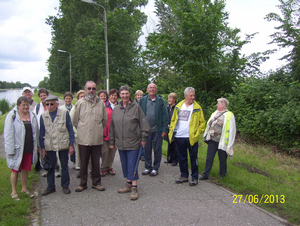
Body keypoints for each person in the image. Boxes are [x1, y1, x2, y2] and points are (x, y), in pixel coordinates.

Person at [109, 85, 151, 200]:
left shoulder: (136, 107)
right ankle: (128, 184)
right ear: (119, 95)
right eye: (122, 94)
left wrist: (143, 138)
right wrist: (112, 141)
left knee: (132, 164)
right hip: (121, 143)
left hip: (134, 142)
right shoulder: (117, 109)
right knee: (125, 164)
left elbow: (144, 123)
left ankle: (134, 187)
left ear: (129, 94)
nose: (125, 96)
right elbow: (112, 126)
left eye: (126, 93)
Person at [72, 81, 107, 192]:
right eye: (89, 88)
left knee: (96, 162)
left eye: (93, 88)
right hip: (83, 139)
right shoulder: (80, 103)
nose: (91, 91)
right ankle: (83, 184)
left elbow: (104, 120)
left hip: (97, 139)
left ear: (96, 89)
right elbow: (75, 120)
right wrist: (84, 129)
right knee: (83, 162)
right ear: (85, 89)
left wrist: (97, 129)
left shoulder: (101, 103)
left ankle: (96, 183)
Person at [169, 87, 206, 186]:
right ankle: (184, 175)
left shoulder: (197, 108)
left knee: (193, 158)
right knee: (182, 158)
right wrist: (172, 131)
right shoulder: (179, 106)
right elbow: (173, 120)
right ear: (185, 96)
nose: (193, 98)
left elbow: (202, 123)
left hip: (191, 137)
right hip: (179, 136)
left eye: (194, 95)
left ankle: (194, 177)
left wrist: (197, 133)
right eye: (191, 96)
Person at [4, 96, 39, 200]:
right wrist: (10, 149)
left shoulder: (32, 115)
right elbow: (8, 134)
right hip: (17, 148)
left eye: (27, 104)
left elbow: (36, 132)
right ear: (18, 106)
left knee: (25, 169)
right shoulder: (12, 116)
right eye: (23, 105)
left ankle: (24, 189)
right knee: (15, 169)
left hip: (28, 148)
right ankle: (14, 191)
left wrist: (37, 146)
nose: (25, 106)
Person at [39, 95, 75, 196]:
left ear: (57, 104)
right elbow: (41, 133)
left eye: (52, 104)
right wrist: (42, 148)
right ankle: (50, 187)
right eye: (47, 104)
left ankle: (65, 185)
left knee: (64, 166)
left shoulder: (64, 113)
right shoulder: (43, 116)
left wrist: (71, 144)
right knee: (50, 167)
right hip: (49, 144)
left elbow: (70, 129)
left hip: (63, 143)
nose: (49, 106)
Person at [200, 98, 236, 180]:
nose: (217, 105)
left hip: (222, 141)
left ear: (223, 105)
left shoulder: (229, 115)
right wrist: (206, 134)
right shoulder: (215, 113)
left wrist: (229, 144)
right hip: (212, 140)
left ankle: (223, 175)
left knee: (222, 159)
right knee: (209, 157)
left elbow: (232, 130)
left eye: (218, 103)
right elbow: (209, 124)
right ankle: (205, 174)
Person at [139, 83, 168, 176]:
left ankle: (156, 168)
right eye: (150, 88)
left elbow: (165, 115)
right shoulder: (143, 100)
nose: (152, 89)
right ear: (147, 90)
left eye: (153, 88)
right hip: (146, 130)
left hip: (157, 130)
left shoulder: (161, 101)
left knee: (157, 149)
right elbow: (138, 114)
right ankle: (148, 167)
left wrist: (164, 129)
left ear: (156, 90)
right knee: (146, 149)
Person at [98, 90, 117, 176]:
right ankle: (103, 168)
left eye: (115, 95)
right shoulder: (104, 106)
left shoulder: (120, 106)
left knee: (112, 152)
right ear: (109, 96)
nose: (113, 97)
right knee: (105, 152)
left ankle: (109, 167)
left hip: (116, 134)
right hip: (106, 133)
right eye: (112, 95)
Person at [70, 90, 85, 175]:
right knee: (79, 153)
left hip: (86, 135)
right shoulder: (75, 107)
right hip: (78, 134)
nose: (82, 98)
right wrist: (78, 132)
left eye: (84, 96)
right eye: (81, 96)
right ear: (78, 98)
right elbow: (73, 121)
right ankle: (80, 169)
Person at [33, 88, 49, 172]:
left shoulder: (51, 104)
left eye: (44, 95)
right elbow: (34, 119)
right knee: (42, 150)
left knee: (52, 151)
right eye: (41, 96)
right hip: (40, 132)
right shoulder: (37, 107)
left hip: (50, 132)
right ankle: (45, 167)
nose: (43, 97)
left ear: (47, 96)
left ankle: (55, 167)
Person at [60, 92, 76, 167]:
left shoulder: (75, 107)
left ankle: (73, 160)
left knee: (73, 145)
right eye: (67, 98)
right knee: (65, 146)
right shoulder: (61, 108)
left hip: (73, 129)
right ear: (64, 99)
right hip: (64, 130)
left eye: (70, 98)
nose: (68, 100)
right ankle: (65, 163)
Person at [164, 92, 178, 166]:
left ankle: (175, 160)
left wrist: (172, 125)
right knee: (170, 143)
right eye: (168, 98)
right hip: (168, 128)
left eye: (170, 98)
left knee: (175, 144)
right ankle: (170, 158)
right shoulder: (167, 107)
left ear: (174, 100)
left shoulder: (177, 108)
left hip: (175, 129)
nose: (169, 99)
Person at [135, 90, 145, 161]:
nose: (139, 96)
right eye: (138, 95)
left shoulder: (144, 104)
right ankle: (137, 154)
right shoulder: (133, 104)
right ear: (136, 96)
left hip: (142, 123)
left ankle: (142, 155)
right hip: (135, 124)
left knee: (143, 138)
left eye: (140, 95)